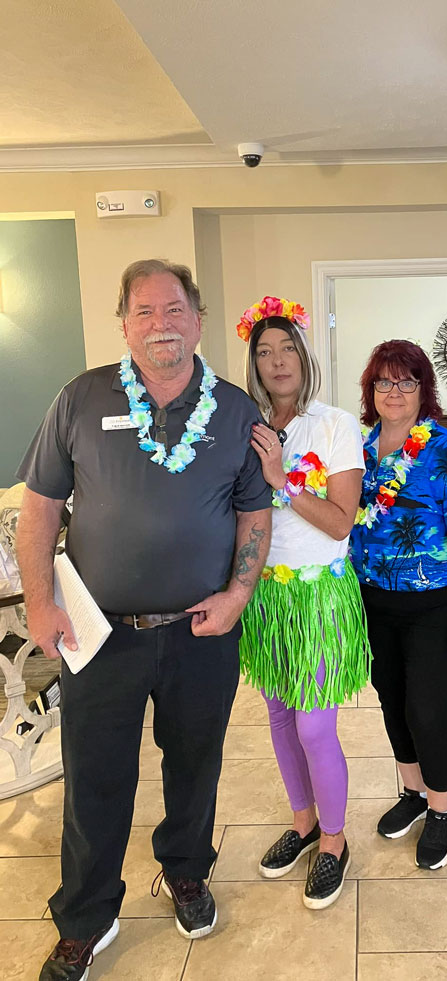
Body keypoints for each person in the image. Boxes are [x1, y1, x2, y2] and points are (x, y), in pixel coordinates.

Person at [16, 259, 271, 981]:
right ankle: (87, 917)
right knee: (96, 778)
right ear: (123, 322)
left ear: (197, 318)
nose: (161, 324)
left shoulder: (233, 408)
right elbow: (39, 509)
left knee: (196, 763)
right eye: (145, 311)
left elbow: (255, 508)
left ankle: (185, 871)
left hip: (201, 631)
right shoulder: (81, 397)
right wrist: (40, 601)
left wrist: (238, 594)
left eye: (174, 309)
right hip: (98, 635)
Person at [236, 295, 370, 909]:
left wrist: (282, 482)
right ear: (254, 363)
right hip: (266, 594)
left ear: (304, 355)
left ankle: (336, 843)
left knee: (316, 723)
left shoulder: (336, 423)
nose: (277, 360)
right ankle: (302, 822)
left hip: (316, 596)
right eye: (264, 352)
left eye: (287, 348)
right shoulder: (247, 424)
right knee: (280, 716)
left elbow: (341, 522)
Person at [350, 340, 447, 870]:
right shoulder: (358, 449)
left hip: (435, 604)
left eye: (406, 381)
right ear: (371, 390)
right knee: (391, 701)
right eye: (384, 381)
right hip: (371, 601)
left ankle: (441, 810)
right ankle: (412, 794)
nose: (394, 391)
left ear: (422, 389)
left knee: (426, 708)